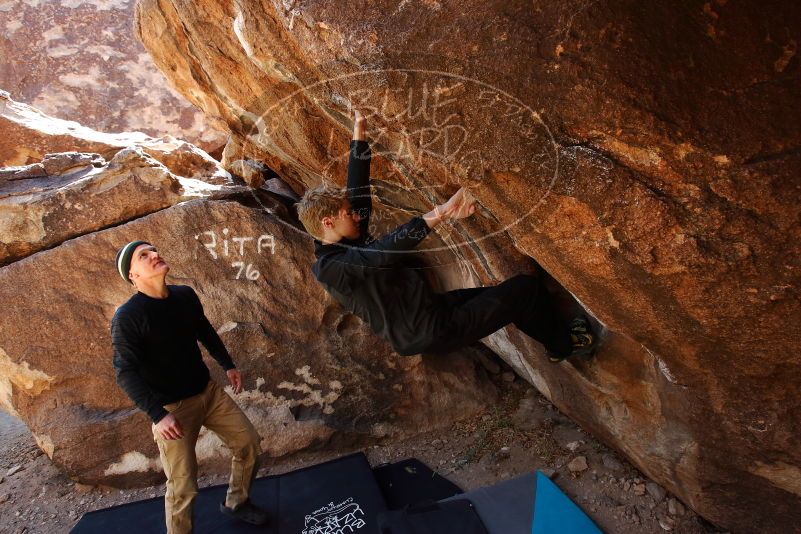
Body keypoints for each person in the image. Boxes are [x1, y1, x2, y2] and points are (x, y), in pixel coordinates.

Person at [296, 110, 596, 361]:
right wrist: (440, 212)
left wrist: (360, 127)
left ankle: (553, 337)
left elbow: (357, 188)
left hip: (432, 310)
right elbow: (384, 253)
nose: (357, 215)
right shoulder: (330, 268)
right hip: (428, 330)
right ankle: (563, 347)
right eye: (349, 214)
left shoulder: (346, 240)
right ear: (327, 222)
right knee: (525, 290)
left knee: (505, 298)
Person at [110, 241, 267, 533]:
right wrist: (158, 415)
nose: (155, 255)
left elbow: (203, 329)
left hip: (208, 392)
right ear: (132, 275)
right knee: (183, 485)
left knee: (249, 444)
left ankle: (237, 502)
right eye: (143, 256)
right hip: (172, 409)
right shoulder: (128, 317)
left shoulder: (184, 295)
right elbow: (124, 372)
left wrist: (227, 364)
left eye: (154, 249)